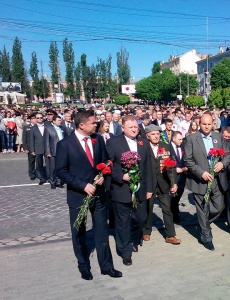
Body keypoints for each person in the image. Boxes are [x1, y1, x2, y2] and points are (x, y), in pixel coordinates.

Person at [55, 110, 122, 280]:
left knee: (102, 231)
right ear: (81, 125)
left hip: (99, 195)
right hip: (78, 196)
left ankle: (106, 266)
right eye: (93, 123)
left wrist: (103, 174)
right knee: (79, 232)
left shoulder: (97, 139)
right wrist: (82, 185)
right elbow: (61, 171)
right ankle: (83, 265)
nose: (96, 125)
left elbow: (106, 161)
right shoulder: (65, 144)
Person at [106, 115, 153, 266]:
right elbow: (109, 165)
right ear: (123, 128)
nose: (134, 129)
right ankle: (125, 251)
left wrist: (150, 188)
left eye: (135, 127)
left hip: (140, 189)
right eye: (130, 127)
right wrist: (121, 176)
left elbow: (148, 167)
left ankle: (134, 238)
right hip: (122, 189)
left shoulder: (143, 142)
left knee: (140, 218)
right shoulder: (113, 142)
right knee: (122, 222)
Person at [184, 113, 230, 251]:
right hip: (200, 180)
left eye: (209, 124)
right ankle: (206, 237)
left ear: (213, 124)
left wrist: (222, 164)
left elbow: (228, 154)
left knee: (219, 206)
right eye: (204, 124)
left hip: (217, 178)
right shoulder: (191, 139)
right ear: (200, 124)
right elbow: (188, 159)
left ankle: (203, 221)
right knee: (202, 208)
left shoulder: (218, 137)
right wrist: (201, 172)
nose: (206, 126)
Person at [142, 124, 181, 245]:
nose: (156, 136)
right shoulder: (143, 147)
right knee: (148, 207)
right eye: (153, 134)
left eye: (158, 134)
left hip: (163, 182)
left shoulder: (165, 146)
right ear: (147, 136)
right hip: (149, 183)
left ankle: (170, 235)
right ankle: (146, 230)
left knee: (167, 209)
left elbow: (172, 165)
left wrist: (173, 182)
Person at [169, 131, 187, 223]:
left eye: (182, 139)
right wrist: (175, 169)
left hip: (182, 176)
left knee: (179, 194)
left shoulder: (182, 146)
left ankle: (175, 212)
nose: (181, 141)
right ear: (173, 138)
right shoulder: (168, 148)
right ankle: (173, 214)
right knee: (173, 196)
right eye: (179, 139)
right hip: (172, 176)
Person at [44, 115, 66, 189]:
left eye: (60, 120)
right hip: (53, 151)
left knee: (61, 168)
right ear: (53, 121)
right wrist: (48, 152)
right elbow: (46, 141)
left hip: (62, 151)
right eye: (58, 120)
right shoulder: (49, 129)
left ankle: (59, 181)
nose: (60, 122)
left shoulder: (62, 128)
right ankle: (52, 182)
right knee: (53, 168)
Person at [29, 113, 47, 185]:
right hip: (37, 148)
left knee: (48, 164)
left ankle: (49, 177)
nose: (40, 119)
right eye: (38, 118)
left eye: (41, 117)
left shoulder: (47, 126)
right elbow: (31, 140)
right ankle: (41, 178)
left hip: (47, 148)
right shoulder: (33, 128)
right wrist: (32, 150)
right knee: (39, 164)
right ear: (35, 119)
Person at [22, 113, 37, 180]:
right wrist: (25, 148)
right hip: (30, 147)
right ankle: (32, 174)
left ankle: (39, 173)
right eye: (33, 119)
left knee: (39, 161)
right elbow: (24, 138)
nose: (34, 120)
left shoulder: (39, 126)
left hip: (38, 146)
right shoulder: (27, 127)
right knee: (31, 161)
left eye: (35, 118)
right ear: (30, 120)